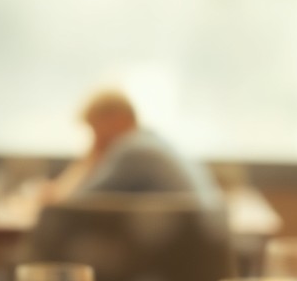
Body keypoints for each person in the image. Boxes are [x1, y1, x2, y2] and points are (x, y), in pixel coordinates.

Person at [45, 89, 221, 208]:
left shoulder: (133, 152)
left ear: (118, 119)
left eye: (95, 129)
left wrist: (90, 161)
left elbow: (74, 204)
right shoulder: (149, 142)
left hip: (187, 247)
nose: (94, 140)